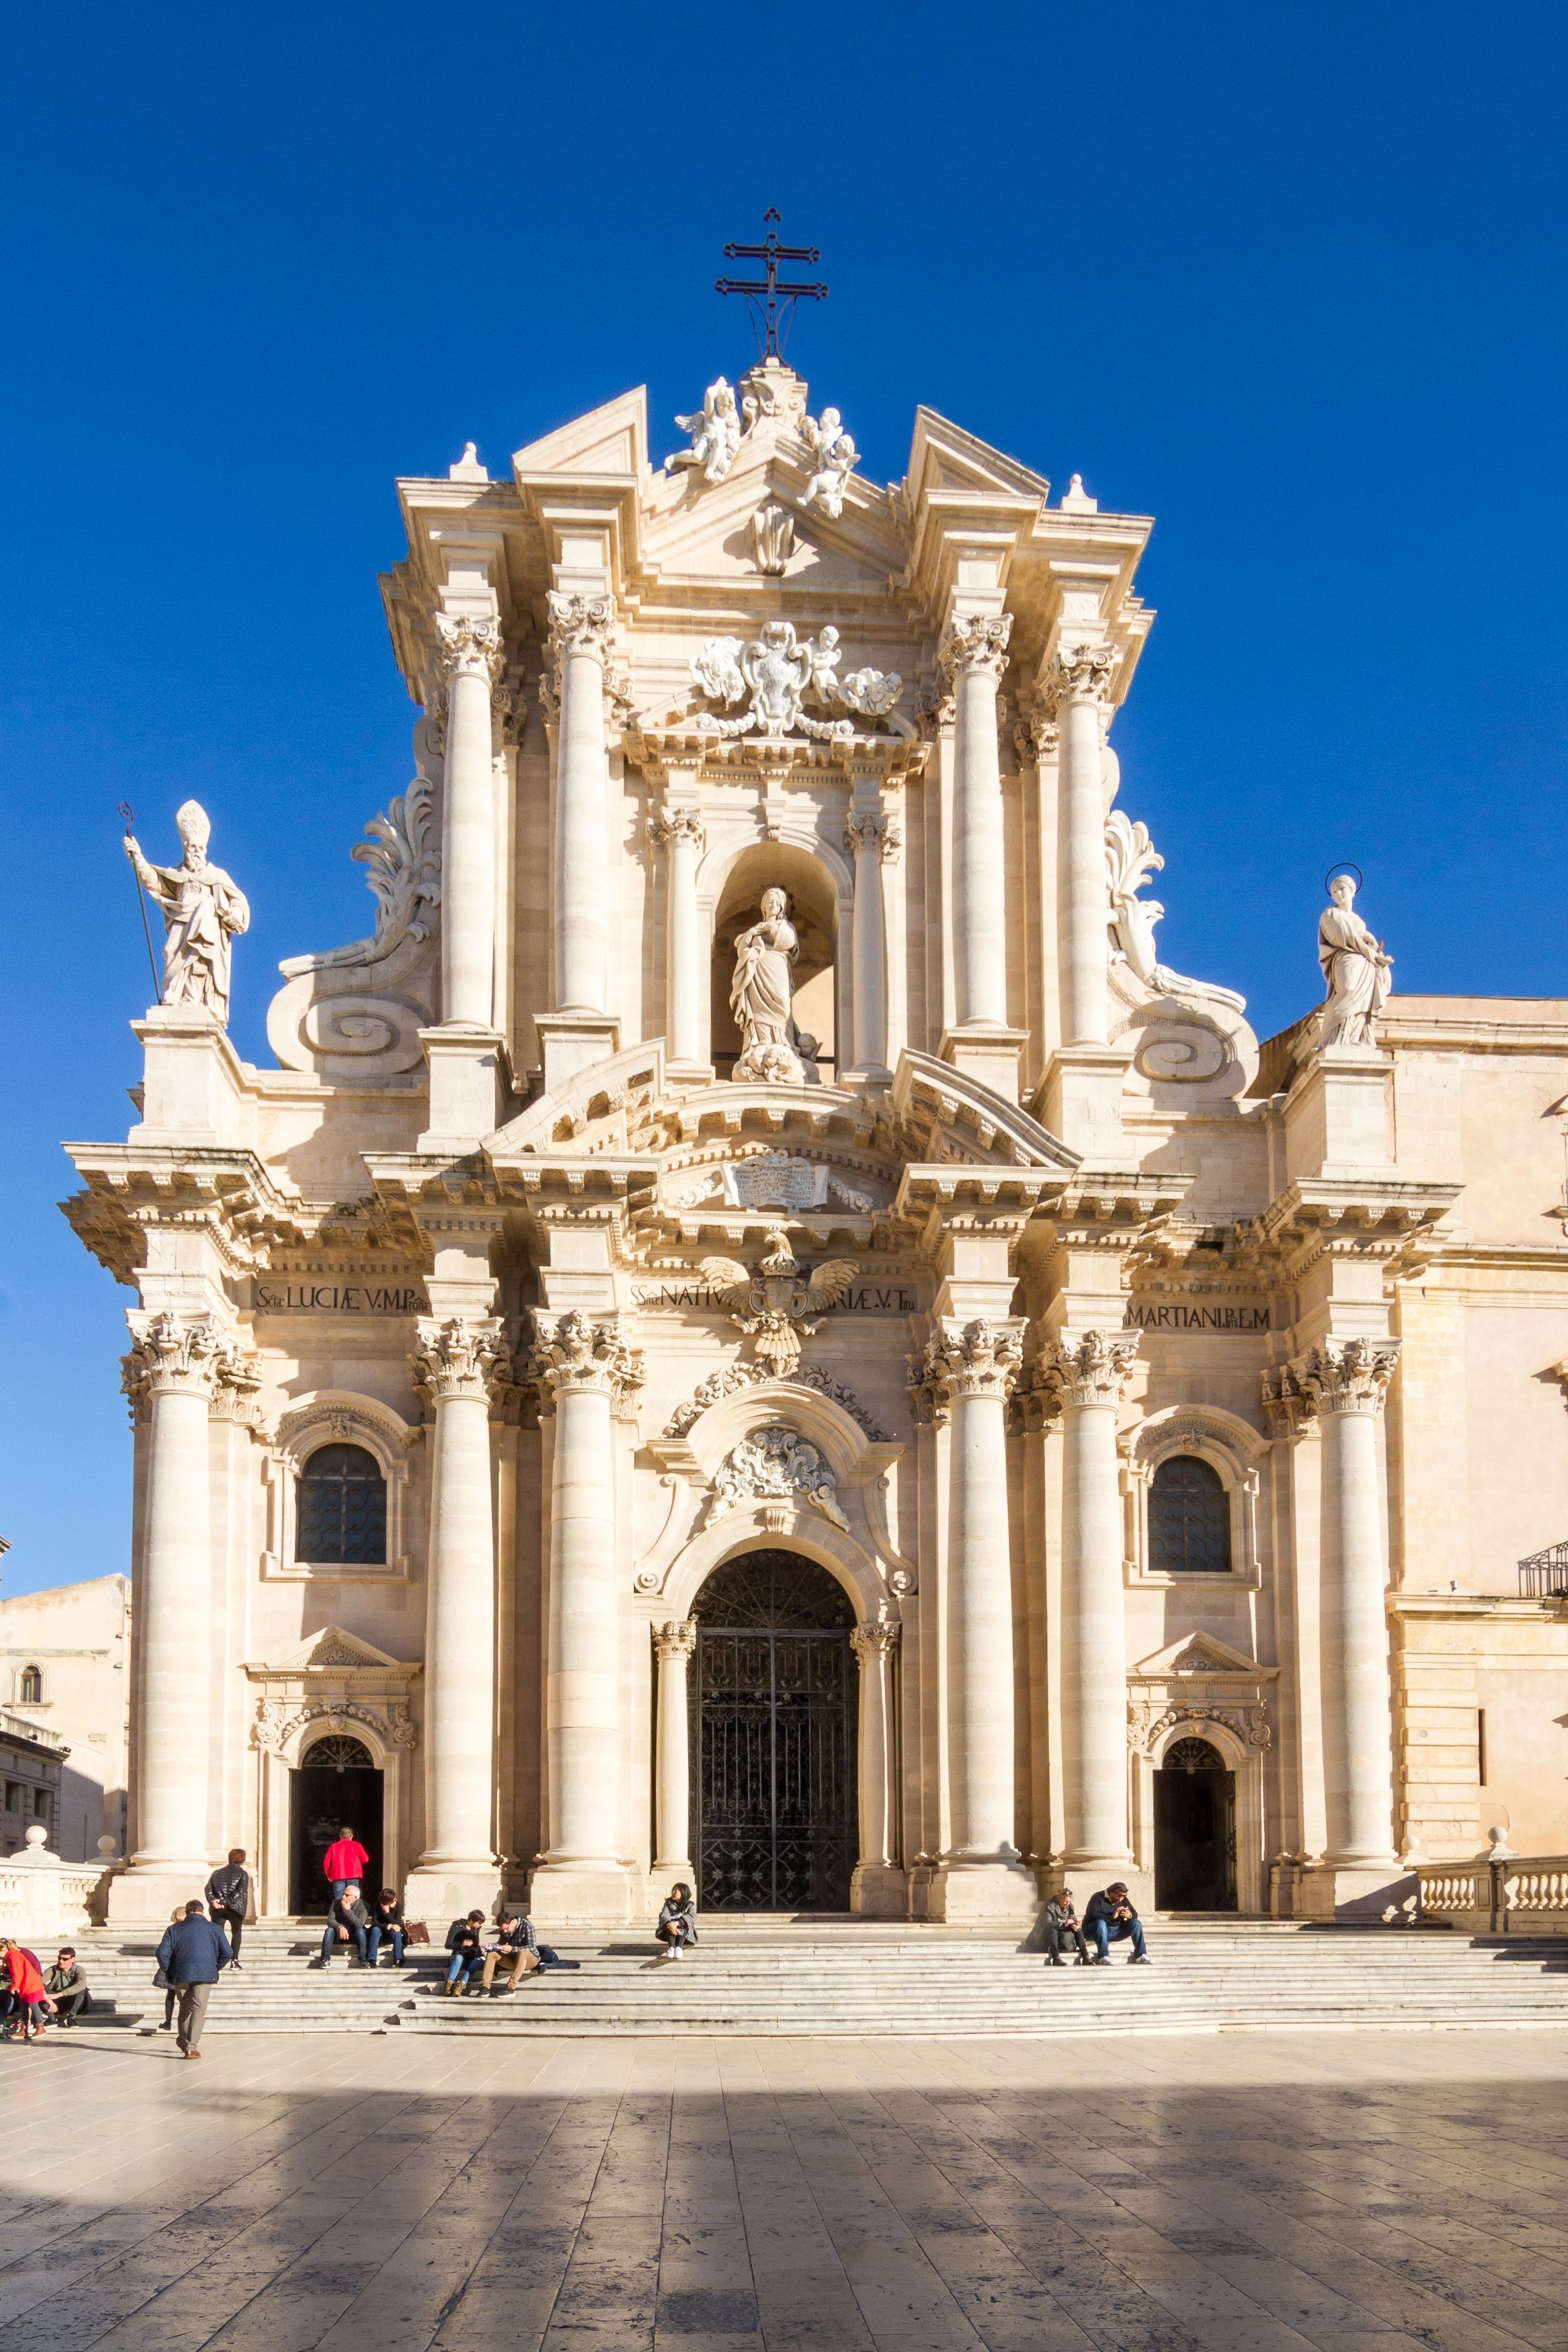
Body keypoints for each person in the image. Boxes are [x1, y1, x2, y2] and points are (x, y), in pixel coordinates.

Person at [155, 1899, 232, 2058]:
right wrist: (215, 1966)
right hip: (205, 1974)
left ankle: (184, 2041)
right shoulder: (215, 1928)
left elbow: (162, 1953)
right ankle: (191, 2047)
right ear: (202, 1911)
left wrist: (169, 1969)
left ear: (188, 1911)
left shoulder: (174, 1929)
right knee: (198, 2009)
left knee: (184, 2008)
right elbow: (228, 1952)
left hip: (180, 1973)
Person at [205, 1848, 251, 1968]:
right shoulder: (243, 1873)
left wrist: (214, 1901)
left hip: (218, 1908)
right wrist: (225, 1901)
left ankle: (216, 1959)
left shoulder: (217, 1872)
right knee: (236, 1933)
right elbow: (239, 1892)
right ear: (243, 1859)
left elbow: (208, 1889)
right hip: (235, 1908)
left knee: (217, 1934)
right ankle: (234, 1961)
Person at [1083, 1883, 1151, 1965]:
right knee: (1101, 1923)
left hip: (1115, 1931)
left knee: (1136, 1923)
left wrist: (1130, 1915)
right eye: (1118, 1896)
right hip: (1095, 1931)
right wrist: (1113, 1916)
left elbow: (1134, 1913)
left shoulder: (1123, 1899)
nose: (1121, 1900)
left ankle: (1141, 1955)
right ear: (1112, 1893)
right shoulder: (1097, 1897)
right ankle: (1103, 1956)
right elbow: (1094, 1915)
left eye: (1123, 1897)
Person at [1, 1938, 54, 2041]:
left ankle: (40, 2028)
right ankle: (23, 2029)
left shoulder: (14, 1956)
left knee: (33, 2005)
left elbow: (18, 1973)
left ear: (2, 1950)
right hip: (26, 1985)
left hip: (31, 1984)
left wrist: (15, 1986)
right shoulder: (13, 1955)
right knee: (24, 2006)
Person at [479, 1913, 539, 1994]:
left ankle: (511, 1986)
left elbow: (532, 1947)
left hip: (529, 1960)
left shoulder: (527, 1925)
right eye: (503, 1929)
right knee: (492, 1953)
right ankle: (485, 1986)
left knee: (523, 1953)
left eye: (506, 1928)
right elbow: (501, 1943)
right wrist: (492, 1946)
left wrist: (513, 1949)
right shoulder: (504, 1930)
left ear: (512, 1922)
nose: (505, 1931)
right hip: (513, 1960)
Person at [320, 1884, 371, 1968]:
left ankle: (363, 1959)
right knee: (329, 1930)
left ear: (356, 1897)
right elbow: (330, 1920)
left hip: (354, 1935)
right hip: (339, 1934)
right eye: (344, 1894)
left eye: (347, 1895)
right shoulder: (336, 1903)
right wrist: (340, 1927)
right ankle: (325, 1959)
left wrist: (348, 1911)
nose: (344, 1896)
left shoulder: (364, 1906)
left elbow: (360, 1924)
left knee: (361, 1931)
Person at [322, 1826, 370, 1903]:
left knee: (339, 1898)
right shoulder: (357, 1845)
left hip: (338, 1875)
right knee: (353, 1898)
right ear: (351, 1836)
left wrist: (329, 1875)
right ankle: (351, 1914)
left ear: (340, 1835)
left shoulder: (334, 1847)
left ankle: (340, 1915)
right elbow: (366, 1859)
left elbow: (326, 1863)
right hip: (354, 1875)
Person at [1042, 1891, 1089, 1967]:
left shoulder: (1070, 1907)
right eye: (1065, 1901)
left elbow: (1073, 1918)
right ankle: (1056, 1958)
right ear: (1059, 1899)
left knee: (1078, 1929)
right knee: (1053, 1928)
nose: (1067, 1904)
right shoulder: (1049, 1906)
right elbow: (1047, 1923)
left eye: (1069, 1902)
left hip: (1064, 1936)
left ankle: (1085, 1956)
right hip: (1047, 1936)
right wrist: (1063, 1924)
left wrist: (1076, 1924)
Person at [444, 1911, 487, 1995]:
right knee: (458, 1958)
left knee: (477, 1962)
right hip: (459, 1956)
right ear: (471, 1921)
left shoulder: (476, 1930)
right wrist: (462, 1944)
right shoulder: (457, 1926)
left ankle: (460, 1986)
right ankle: (449, 1985)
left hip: (471, 1957)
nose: (479, 1925)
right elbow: (448, 1945)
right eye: (478, 1923)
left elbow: (476, 1945)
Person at [45, 1948, 90, 2024]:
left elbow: (81, 1985)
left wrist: (60, 1994)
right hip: (56, 2002)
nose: (61, 1961)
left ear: (73, 1959)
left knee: (81, 1989)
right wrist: (48, 1999)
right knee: (39, 1986)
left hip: (74, 2001)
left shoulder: (79, 1970)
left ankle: (71, 2017)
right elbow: (38, 1981)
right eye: (59, 1958)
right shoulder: (54, 1969)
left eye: (65, 1959)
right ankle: (51, 2018)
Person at [655, 1884, 698, 1961]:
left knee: (683, 1923)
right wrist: (669, 1924)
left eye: (676, 1890)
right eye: (673, 1890)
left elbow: (692, 1917)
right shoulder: (668, 1904)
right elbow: (664, 1916)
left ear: (683, 1892)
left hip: (686, 1936)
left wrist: (677, 1923)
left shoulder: (691, 1905)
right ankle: (672, 1948)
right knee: (671, 1923)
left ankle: (679, 1948)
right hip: (669, 1934)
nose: (674, 1892)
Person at [367, 1888, 406, 1970]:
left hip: (392, 1934)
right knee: (375, 1930)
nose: (395, 1903)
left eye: (395, 1900)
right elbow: (375, 1924)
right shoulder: (377, 1906)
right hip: (379, 1933)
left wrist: (387, 1913)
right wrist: (389, 1926)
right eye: (392, 1902)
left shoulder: (398, 1907)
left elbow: (398, 1925)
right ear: (385, 1903)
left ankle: (398, 1959)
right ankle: (372, 1960)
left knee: (396, 1932)